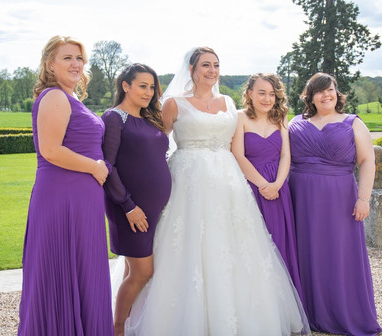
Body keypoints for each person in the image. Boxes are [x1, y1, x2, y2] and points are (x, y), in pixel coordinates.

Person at [124, 47, 310, 335]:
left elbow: (241, 144)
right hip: (187, 181)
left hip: (228, 181)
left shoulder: (228, 102)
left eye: (216, 65)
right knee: (186, 245)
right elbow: (155, 144)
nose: (212, 71)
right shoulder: (174, 103)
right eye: (205, 65)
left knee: (233, 245)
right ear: (192, 69)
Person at [18, 35, 113, 336]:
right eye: (67, 58)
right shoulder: (55, 96)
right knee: (60, 269)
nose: (75, 64)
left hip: (82, 197)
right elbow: (51, 150)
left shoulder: (68, 98)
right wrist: (95, 167)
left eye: (79, 59)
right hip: (62, 197)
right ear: (49, 64)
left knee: (84, 270)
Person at [288, 72, 382, 335]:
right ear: (310, 97)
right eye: (319, 91)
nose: (326, 95)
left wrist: (363, 198)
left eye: (330, 90)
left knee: (339, 254)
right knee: (306, 252)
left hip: (340, 198)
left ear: (337, 93)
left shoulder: (352, 123)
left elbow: (367, 162)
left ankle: (344, 312)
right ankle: (309, 312)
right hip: (302, 199)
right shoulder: (295, 123)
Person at [101, 63, 171, 336]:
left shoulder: (150, 118)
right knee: (142, 272)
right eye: (143, 86)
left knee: (138, 271)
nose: (149, 92)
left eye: (152, 87)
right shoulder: (114, 118)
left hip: (154, 208)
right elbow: (108, 166)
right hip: (129, 208)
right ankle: (117, 330)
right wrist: (128, 206)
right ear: (125, 86)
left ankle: (126, 326)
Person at [231, 73, 304, 306]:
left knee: (280, 241)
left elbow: (286, 155)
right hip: (251, 187)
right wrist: (263, 185)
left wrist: (277, 185)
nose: (267, 98)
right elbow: (238, 155)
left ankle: (282, 307)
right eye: (261, 92)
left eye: (272, 94)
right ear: (249, 94)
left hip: (278, 188)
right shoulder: (239, 118)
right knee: (254, 244)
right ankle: (257, 306)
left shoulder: (280, 118)